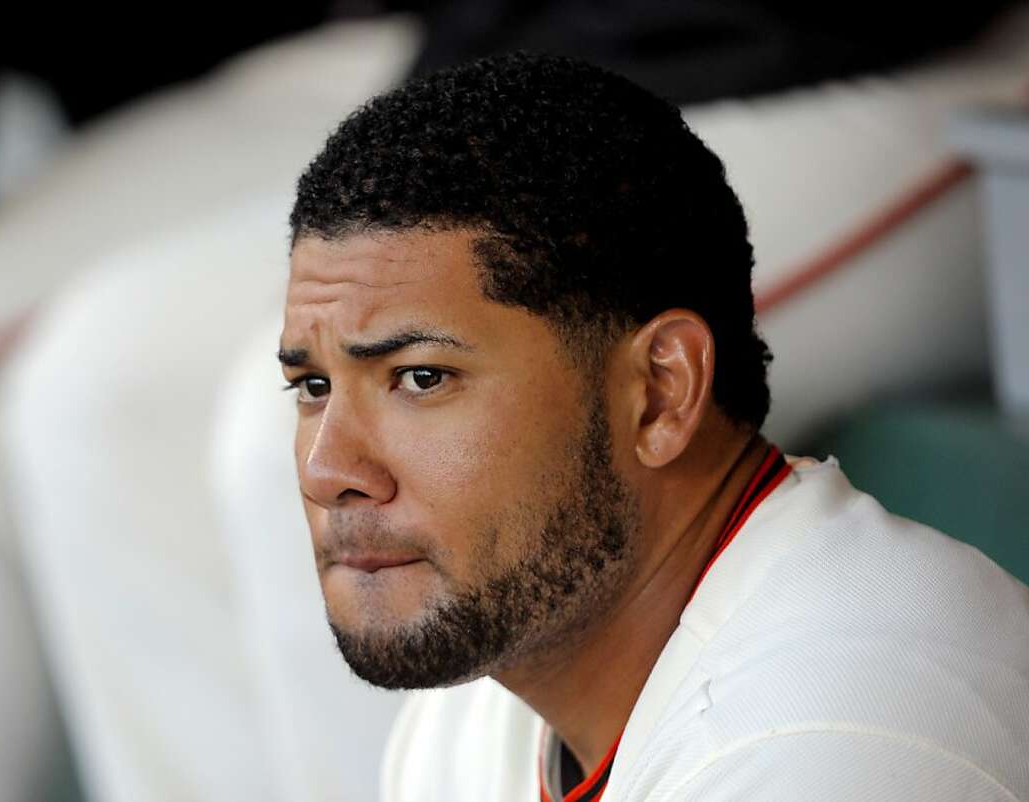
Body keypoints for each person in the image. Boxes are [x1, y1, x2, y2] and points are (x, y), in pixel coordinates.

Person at [278, 51, 1029, 801]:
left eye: (421, 378)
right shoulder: (481, 694)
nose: (327, 469)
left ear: (661, 392)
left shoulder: (831, 738)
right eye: (312, 386)